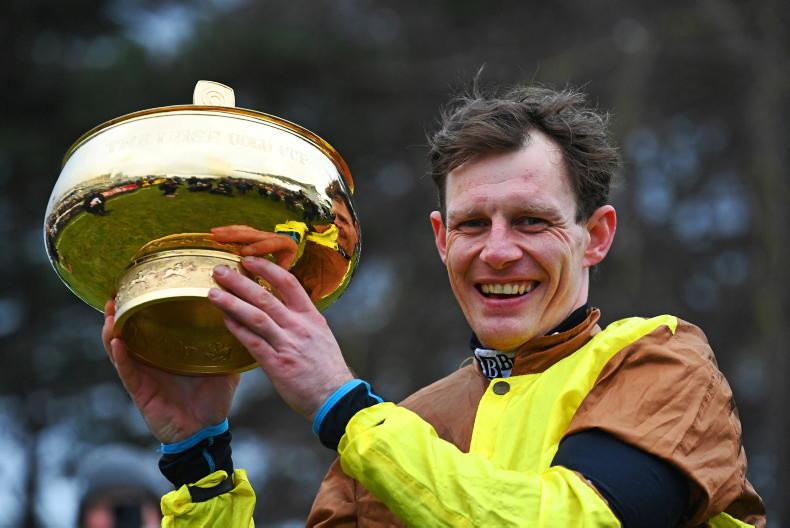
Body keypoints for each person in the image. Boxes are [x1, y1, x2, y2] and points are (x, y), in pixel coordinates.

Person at [102, 82, 766, 527]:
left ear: (595, 236)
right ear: (442, 240)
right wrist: (201, 457)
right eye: (474, 224)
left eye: (531, 221)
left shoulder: (663, 362)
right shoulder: (394, 429)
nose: (498, 251)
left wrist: (343, 406)